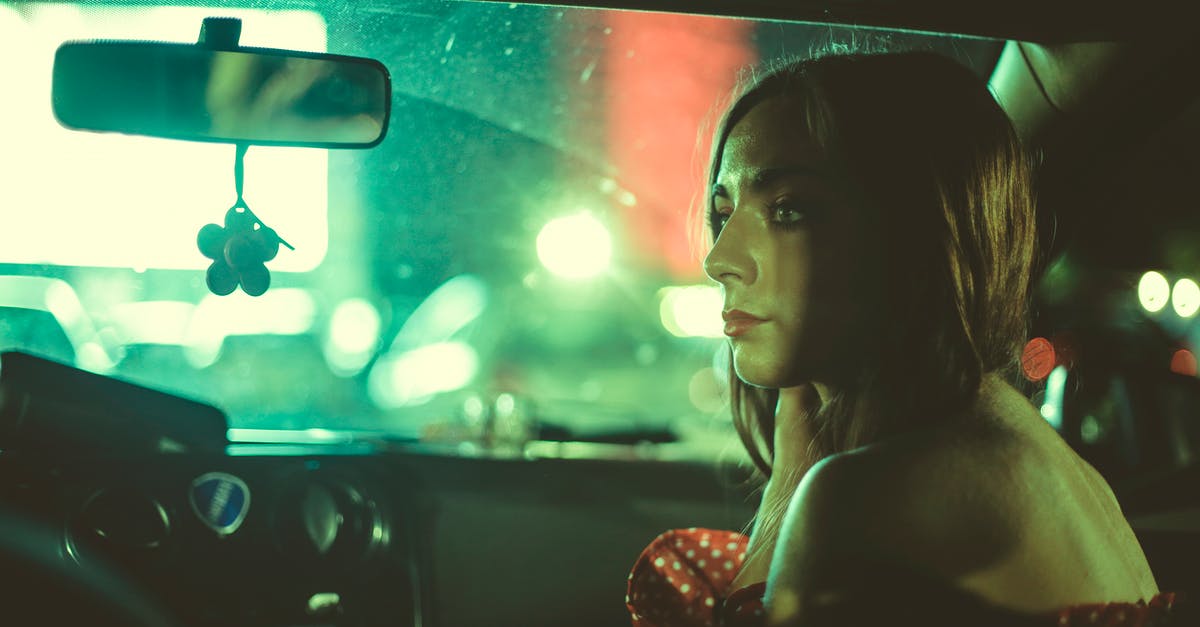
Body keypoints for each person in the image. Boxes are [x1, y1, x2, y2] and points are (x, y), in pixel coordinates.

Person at [626, 50, 1178, 626]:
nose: (719, 260)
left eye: (788, 210)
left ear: (911, 232)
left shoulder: (864, 497)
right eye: (723, 213)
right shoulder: (1061, 470)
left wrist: (788, 498)